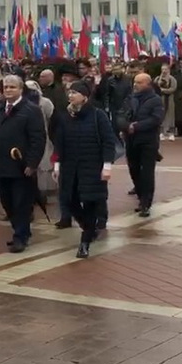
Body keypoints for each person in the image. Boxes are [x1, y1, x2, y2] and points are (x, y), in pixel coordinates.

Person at [51, 81, 114, 259]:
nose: (71, 95)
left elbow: (108, 141)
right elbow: (59, 143)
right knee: (69, 200)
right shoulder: (65, 117)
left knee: (91, 203)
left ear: (85, 96)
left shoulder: (97, 116)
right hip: (70, 168)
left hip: (92, 166)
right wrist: (57, 165)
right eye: (70, 92)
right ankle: (89, 227)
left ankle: (84, 243)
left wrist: (107, 166)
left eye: (75, 92)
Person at [0, 75, 47, 253]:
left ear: (20, 89)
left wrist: (32, 163)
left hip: (21, 165)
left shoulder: (31, 110)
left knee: (21, 203)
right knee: (7, 202)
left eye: (12, 87)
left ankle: (21, 236)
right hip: (0, 164)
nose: (8, 90)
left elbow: (38, 139)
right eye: (6, 87)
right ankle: (20, 230)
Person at [124, 73, 164, 218]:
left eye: (139, 82)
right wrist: (125, 125)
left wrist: (137, 126)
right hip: (131, 140)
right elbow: (121, 115)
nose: (136, 85)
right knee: (134, 170)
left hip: (148, 141)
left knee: (147, 173)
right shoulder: (131, 98)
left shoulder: (155, 100)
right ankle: (141, 197)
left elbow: (156, 119)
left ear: (148, 84)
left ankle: (146, 203)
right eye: (135, 82)